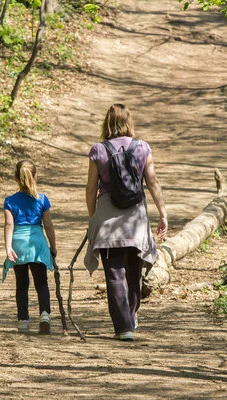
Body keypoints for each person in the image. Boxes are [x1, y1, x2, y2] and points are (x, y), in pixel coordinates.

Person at [84, 103, 168, 341]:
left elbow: (91, 189)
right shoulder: (142, 147)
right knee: (134, 272)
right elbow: (152, 182)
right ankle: (131, 317)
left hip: (108, 221)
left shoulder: (98, 150)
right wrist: (163, 214)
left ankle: (124, 327)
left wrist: (93, 218)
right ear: (129, 122)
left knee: (114, 274)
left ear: (107, 123)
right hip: (136, 220)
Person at [3, 159, 57, 334]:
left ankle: (23, 320)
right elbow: (48, 225)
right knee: (41, 282)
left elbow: (9, 225)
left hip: (19, 244)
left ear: (16, 178)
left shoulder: (10, 201)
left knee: (22, 284)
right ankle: (44, 315)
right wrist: (53, 247)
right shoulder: (42, 199)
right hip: (37, 244)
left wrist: (8, 247)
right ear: (36, 176)